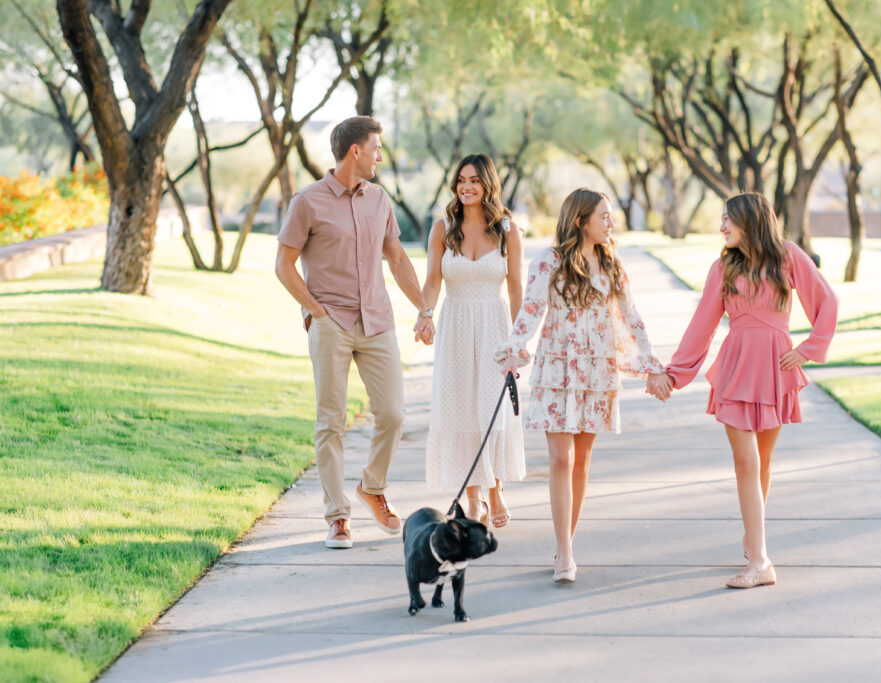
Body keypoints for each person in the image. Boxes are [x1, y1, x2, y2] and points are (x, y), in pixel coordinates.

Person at [650, 192, 838, 588]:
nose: (721, 227)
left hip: (775, 368)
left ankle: (755, 545)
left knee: (763, 463)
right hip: (736, 368)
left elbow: (827, 301)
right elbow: (702, 323)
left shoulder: (788, 256)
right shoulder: (723, 266)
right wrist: (675, 373)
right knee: (746, 463)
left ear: (750, 221)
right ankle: (760, 562)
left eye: (727, 220)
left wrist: (808, 349)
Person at [275, 115, 434, 549]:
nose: (381, 155)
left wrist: (423, 308)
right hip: (332, 325)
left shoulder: (379, 199)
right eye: (376, 148)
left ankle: (372, 486)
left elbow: (397, 259)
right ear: (355, 151)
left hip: (377, 322)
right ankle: (337, 517)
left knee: (394, 414)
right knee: (332, 421)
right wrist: (315, 312)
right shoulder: (307, 201)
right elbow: (283, 266)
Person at [498, 188, 669, 582]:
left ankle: (566, 545)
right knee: (561, 460)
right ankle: (563, 552)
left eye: (611, 216)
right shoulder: (550, 262)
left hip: (595, 371)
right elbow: (531, 310)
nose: (611, 223)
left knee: (582, 463)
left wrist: (651, 365)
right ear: (580, 221)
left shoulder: (612, 264)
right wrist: (513, 349)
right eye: (604, 216)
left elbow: (632, 317)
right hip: (558, 369)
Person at [420, 155, 526, 526]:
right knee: (463, 410)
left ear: (488, 185)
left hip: (495, 327)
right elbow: (433, 280)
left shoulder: (509, 230)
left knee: (490, 410)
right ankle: (475, 500)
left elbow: (515, 288)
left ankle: (496, 491)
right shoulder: (443, 228)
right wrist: (424, 313)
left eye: (475, 181)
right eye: (461, 180)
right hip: (456, 328)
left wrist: (519, 340)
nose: (466, 187)